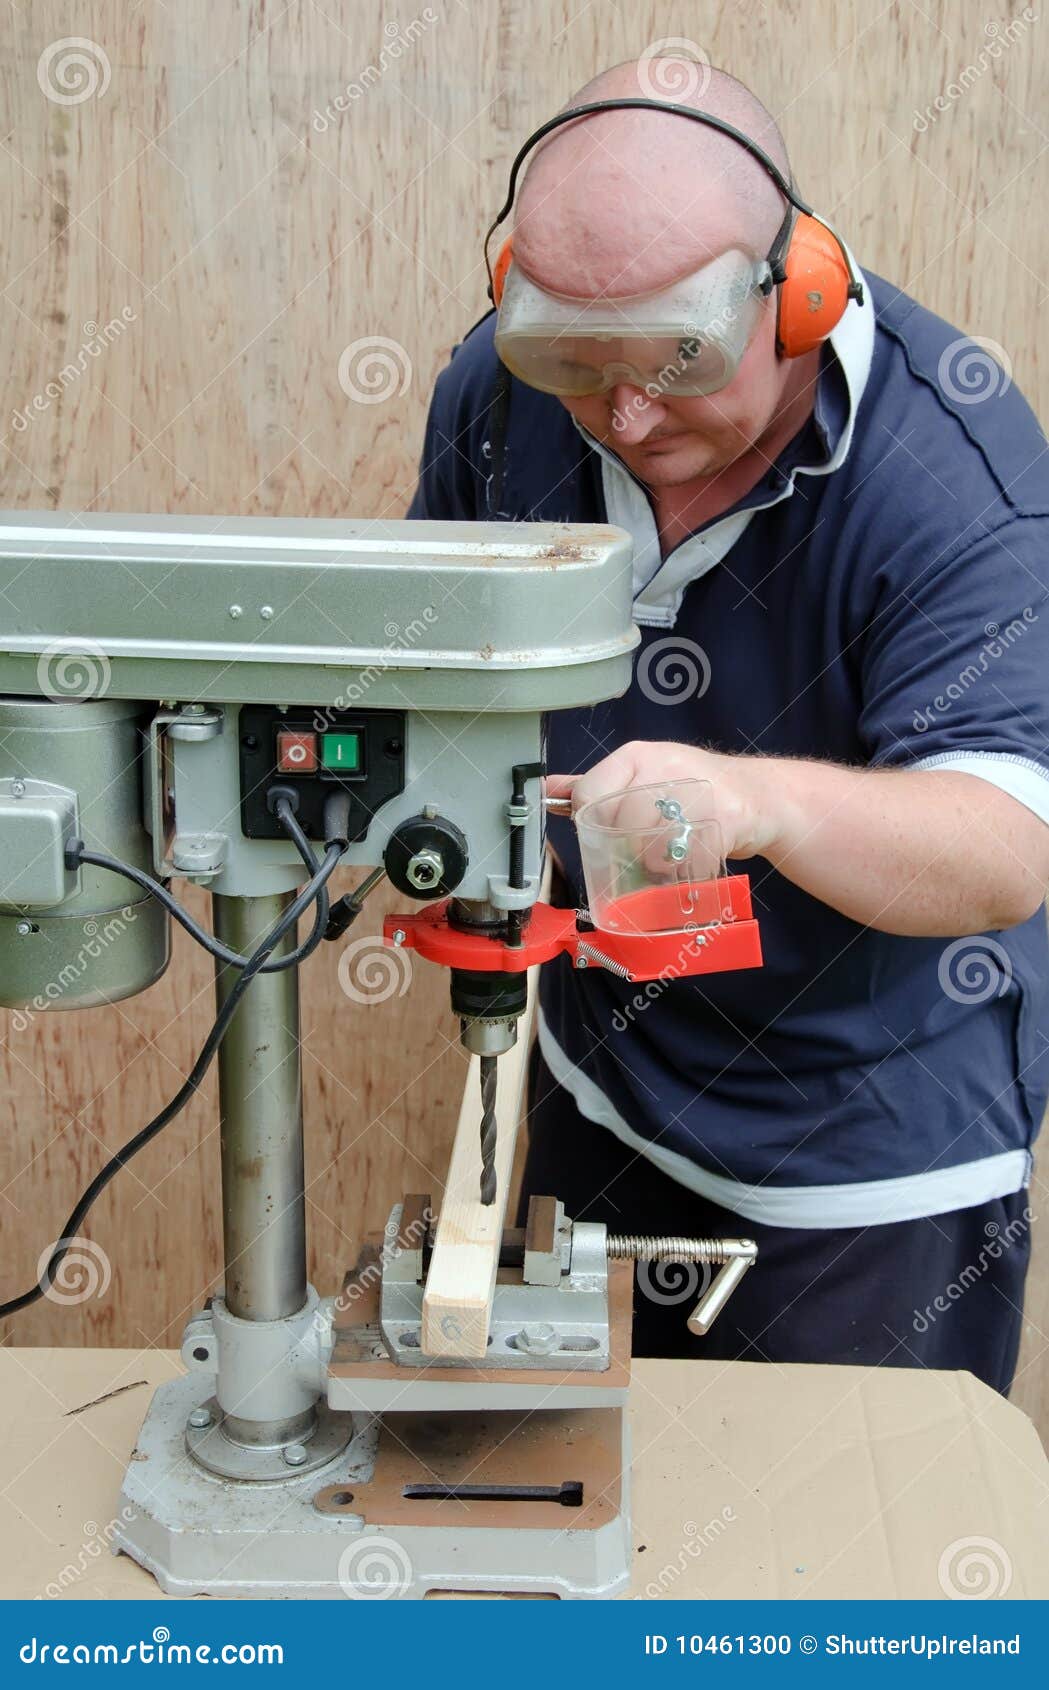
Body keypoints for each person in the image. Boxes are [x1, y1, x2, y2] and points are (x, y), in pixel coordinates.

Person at [408, 60, 1049, 1393]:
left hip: (861, 1156)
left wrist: (754, 803)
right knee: (582, 1477)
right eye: (577, 361)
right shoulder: (506, 392)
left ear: (797, 293)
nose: (626, 413)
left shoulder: (952, 478)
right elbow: (437, 651)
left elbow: (1002, 848)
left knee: (830, 1519)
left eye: (676, 360)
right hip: (599, 1078)